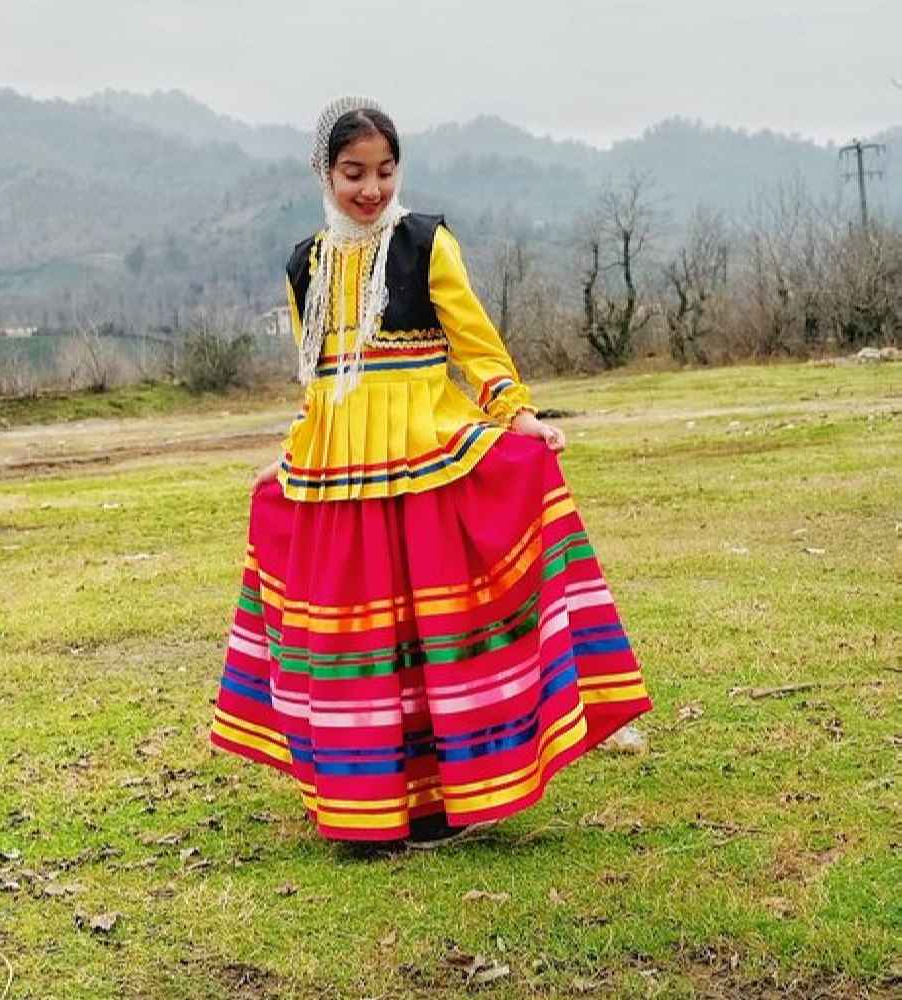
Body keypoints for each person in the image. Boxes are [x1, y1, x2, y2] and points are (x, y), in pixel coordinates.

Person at [209, 96, 652, 845]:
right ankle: (376, 803)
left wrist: (520, 416)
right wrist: (289, 455)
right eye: (353, 172)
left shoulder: (425, 243)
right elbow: (315, 381)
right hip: (339, 470)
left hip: (425, 456)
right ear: (324, 171)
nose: (371, 189)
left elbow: (475, 346)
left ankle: (452, 794)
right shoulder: (305, 264)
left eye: (385, 170)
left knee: (433, 631)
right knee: (360, 642)